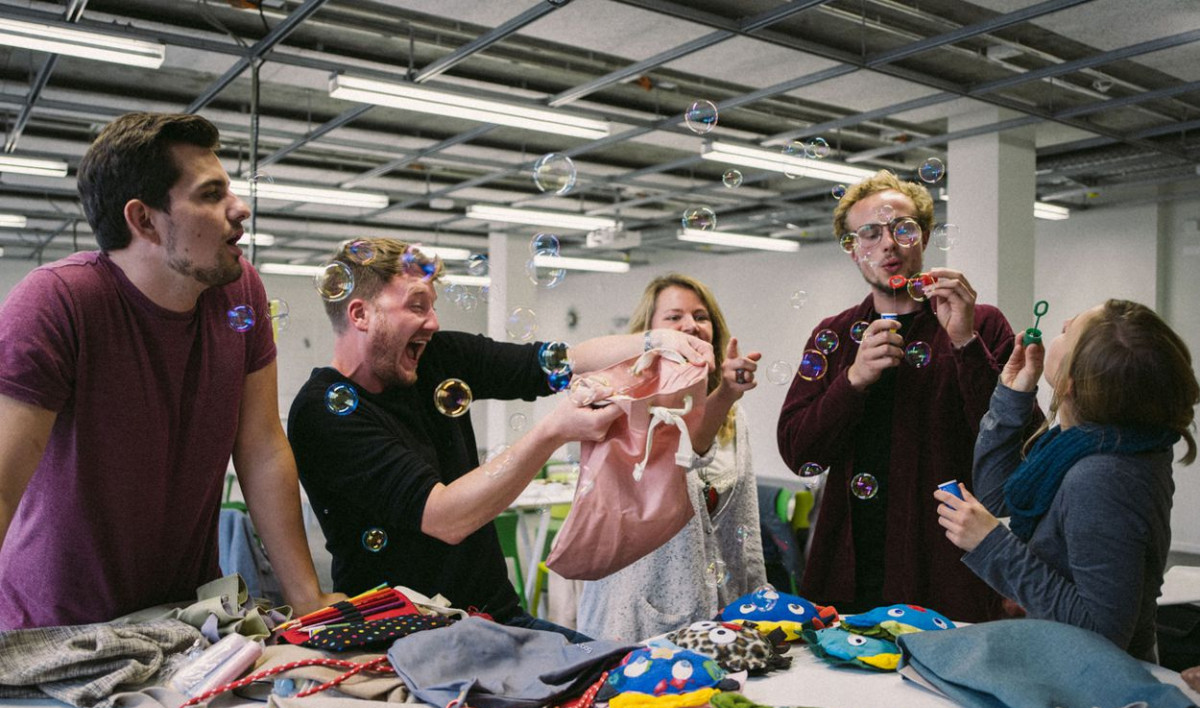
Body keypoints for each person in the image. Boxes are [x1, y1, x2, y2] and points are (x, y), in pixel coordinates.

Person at [0, 111, 338, 629]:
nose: (239, 208)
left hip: (184, 623)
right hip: (56, 629)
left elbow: (262, 445)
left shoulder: (239, 291)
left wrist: (308, 600)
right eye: (210, 194)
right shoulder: (57, 303)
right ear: (144, 221)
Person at [287, 238, 714, 637]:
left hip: (495, 617)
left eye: (432, 306)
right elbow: (444, 517)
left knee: (615, 675)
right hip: (406, 635)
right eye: (417, 306)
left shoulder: (439, 357)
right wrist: (554, 429)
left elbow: (558, 362)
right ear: (360, 314)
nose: (433, 322)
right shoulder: (324, 412)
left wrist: (656, 340)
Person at [777, 169, 1026, 623]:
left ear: (924, 237)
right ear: (853, 250)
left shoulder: (982, 323)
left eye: (902, 228)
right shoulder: (833, 334)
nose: (888, 243)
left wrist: (966, 344)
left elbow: (1012, 446)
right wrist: (851, 380)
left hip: (947, 576)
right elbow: (799, 452)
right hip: (847, 578)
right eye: (869, 233)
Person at [936, 299, 1199, 661]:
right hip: (1062, 662)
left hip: (1098, 688)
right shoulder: (1100, 441)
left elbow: (1104, 635)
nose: (1064, 322)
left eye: (1068, 332)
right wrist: (1013, 397)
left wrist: (993, 544)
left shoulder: (1103, 478)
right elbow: (998, 502)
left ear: (1071, 384)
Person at [576, 273, 766, 641]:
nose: (690, 326)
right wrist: (724, 394)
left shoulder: (732, 416)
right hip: (634, 615)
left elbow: (745, 521)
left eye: (701, 316)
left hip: (723, 615)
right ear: (648, 332)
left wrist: (756, 596)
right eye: (674, 317)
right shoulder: (624, 402)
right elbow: (685, 452)